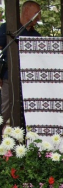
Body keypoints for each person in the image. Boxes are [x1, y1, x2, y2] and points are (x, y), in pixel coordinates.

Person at [0, 1, 41, 129]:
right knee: (4, 112)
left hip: (30, 81)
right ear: (26, 11)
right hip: (8, 77)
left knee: (27, 114)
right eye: (37, 13)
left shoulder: (36, 36)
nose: (39, 18)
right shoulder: (6, 28)